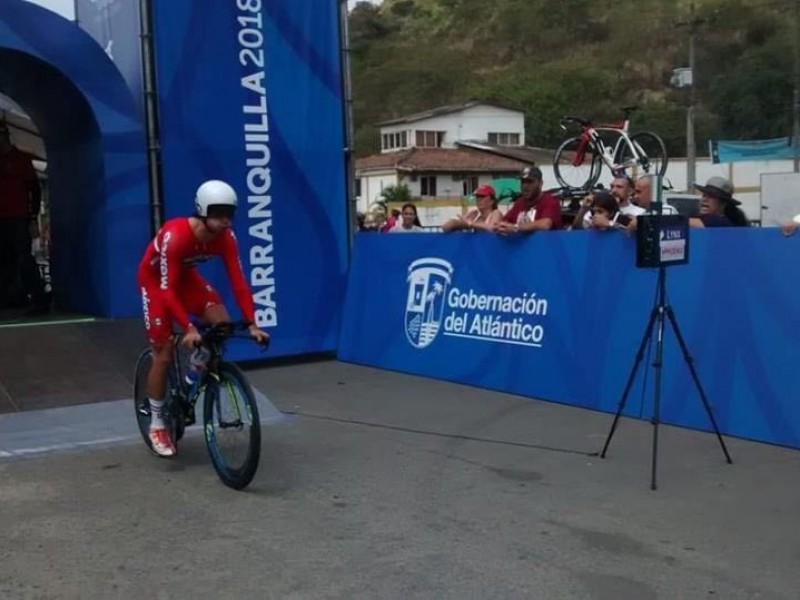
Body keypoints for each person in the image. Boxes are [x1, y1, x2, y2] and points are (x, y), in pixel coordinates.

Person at [137, 179, 270, 457]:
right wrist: (187, 327)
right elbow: (166, 290)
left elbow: (239, 283)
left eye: (230, 213)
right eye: (218, 213)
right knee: (163, 351)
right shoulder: (177, 236)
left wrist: (253, 322)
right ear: (202, 210)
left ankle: (192, 375)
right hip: (156, 282)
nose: (225, 220)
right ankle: (158, 423)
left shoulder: (226, 238)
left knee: (221, 324)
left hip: (184, 278)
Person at [0, 121, 48, 314]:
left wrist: (32, 217)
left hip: (18, 218)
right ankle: (10, 298)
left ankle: (39, 301)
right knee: (3, 262)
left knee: (25, 259)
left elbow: (34, 190)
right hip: (2, 220)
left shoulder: (20, 159)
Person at [494, 166, 562, 234]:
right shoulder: (520, 202)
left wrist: (516, 227)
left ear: (540, 183)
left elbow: (545, 224)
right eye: (523, 182)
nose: (525, 186)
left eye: (530, 182)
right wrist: (502, 227)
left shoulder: (550, 200)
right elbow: (503, 222)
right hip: (521, 244)